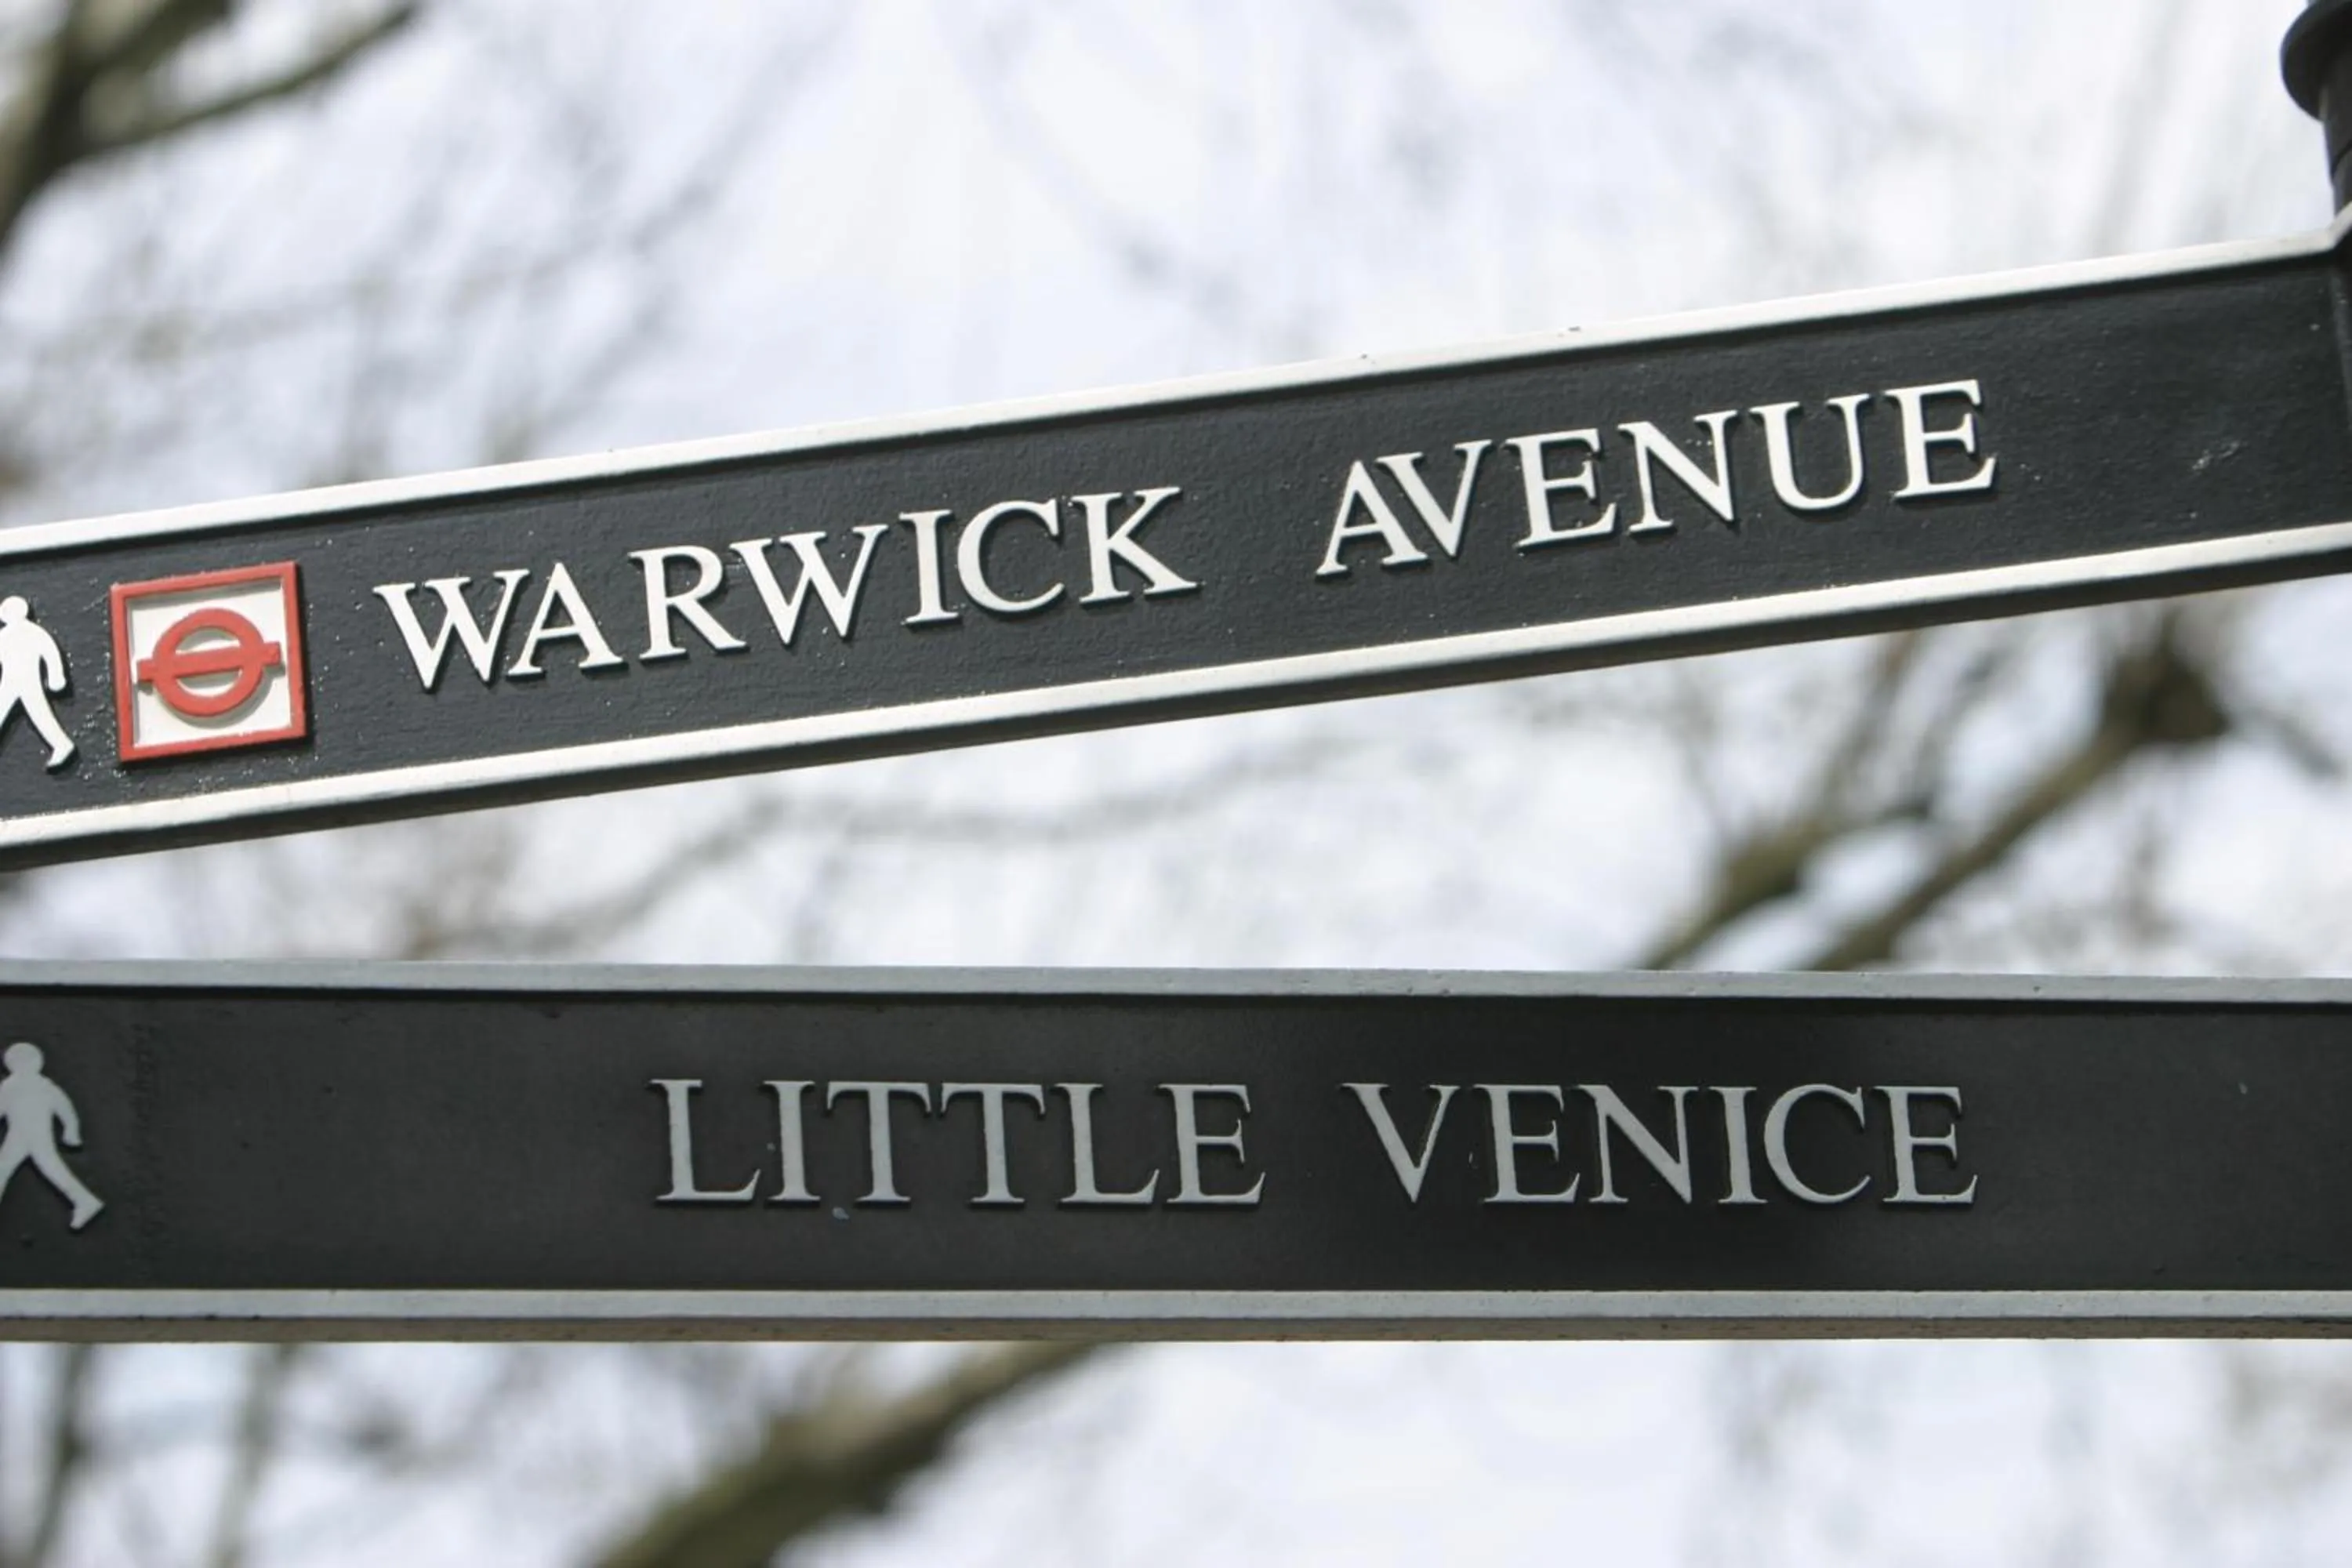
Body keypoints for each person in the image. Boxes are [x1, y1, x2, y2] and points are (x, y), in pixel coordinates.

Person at [0, 1041, 102, 1230]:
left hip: (31, 1137)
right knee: (47, 1169)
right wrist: (71, 1131)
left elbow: (64, 1109)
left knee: (48, 1169)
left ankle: (85, 1201)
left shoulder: (15, 1087)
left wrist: (71, 1131)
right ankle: (85, 1201)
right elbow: (65, 1109)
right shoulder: (40, 1086)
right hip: (25, 1136)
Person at [0, 596, 73, 769]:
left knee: (40, 714)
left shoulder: (31, 633)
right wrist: (55, 676)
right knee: (38, 713)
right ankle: (62, 745)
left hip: (28, 682)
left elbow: (51, 654)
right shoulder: (7, 635)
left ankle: (62, 745)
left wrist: (56, 677)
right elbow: (51, 653)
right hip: (11, 682)